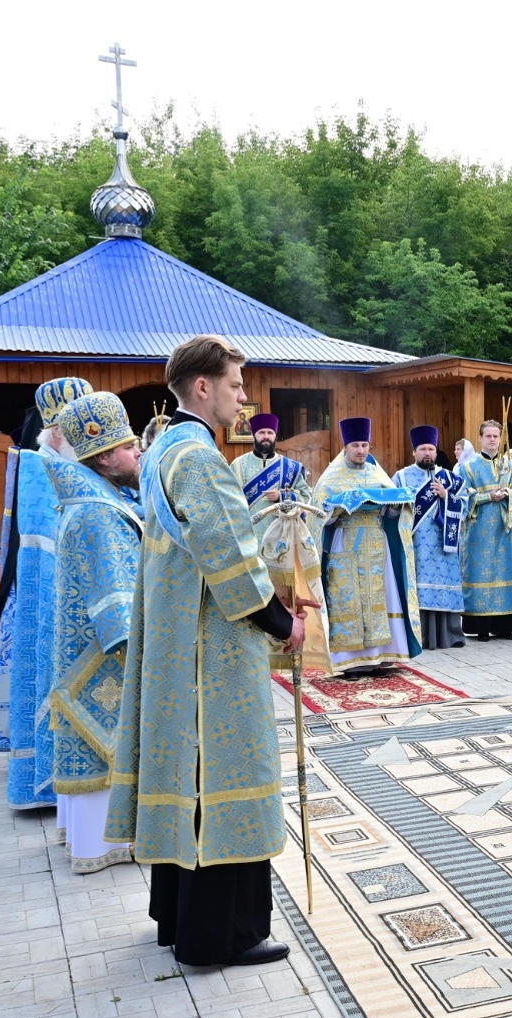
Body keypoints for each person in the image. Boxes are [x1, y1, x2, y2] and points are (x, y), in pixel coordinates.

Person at [107, 335, 302, 967]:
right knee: (223, 772)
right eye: (236, 386)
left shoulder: (163, 447)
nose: (243, 399)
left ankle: (178, 919)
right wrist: (282, 623)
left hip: (174, 639)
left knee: (187, 775)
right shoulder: (200, 457)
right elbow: (230, 557)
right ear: (202, 387)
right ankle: (223, 936)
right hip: (210, 649)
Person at [45, 392, 142, 874]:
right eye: (128, 447)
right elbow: (118, 598)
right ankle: (102, 843)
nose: (138, 452)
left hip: (85, 651)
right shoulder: (99, 512)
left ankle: (88, 839)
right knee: (105, 745)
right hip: (104, 654)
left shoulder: (93, 497)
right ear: (103, 457)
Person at [7, 377, 92, 811]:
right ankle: (49, 782)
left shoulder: (63, 465)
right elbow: (49, 547)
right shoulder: (42, 470)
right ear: (57, 431)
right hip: (54, 597)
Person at [314, 417, 422, 671]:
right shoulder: (331, 478)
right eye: (355, 445)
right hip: (345, 542)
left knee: (382, 597)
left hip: (376, 544)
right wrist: (340, 506)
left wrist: (397, 504)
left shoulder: (377, 475)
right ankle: (349, 663)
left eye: (364, 445)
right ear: (345, 447)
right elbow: (318, 518)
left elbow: (392, 514)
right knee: (346, 598)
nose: (361, 450)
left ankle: (382, 657)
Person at [458, 420, 512, 640]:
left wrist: (509, 494)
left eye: (495, 436)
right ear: (480, 438)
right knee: (481, 572)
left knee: (508, 569)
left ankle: (506, 626)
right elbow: (462, 496)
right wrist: (487, 496)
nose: (492, 440)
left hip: (508, 531)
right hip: (479, 531)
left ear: (501, 439)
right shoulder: (468, 467)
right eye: (488, 436)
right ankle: (481, 627)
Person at [393, 425, 467, 650]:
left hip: (444, 547)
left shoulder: (451, 478)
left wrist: (446, 496)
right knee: (417, 587)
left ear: (436, 452)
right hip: (416, 545)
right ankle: (420, 635)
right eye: (423, 449)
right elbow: (391, 508)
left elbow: (465, 507)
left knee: (444, 586)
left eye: (431, 449)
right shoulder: (401, 477)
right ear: (414, 452)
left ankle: (448, 635)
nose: (427, 453)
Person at [232, 414, 315, 539]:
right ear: (254, 435)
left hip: (282, 534)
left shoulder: (291, 467)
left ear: (275, 436)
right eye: (261, 432)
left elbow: (305, 495)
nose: (266, 436)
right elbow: (229, 498)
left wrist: (282, 497)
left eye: (270, 433)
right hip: (247, 534)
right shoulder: (238, 465)